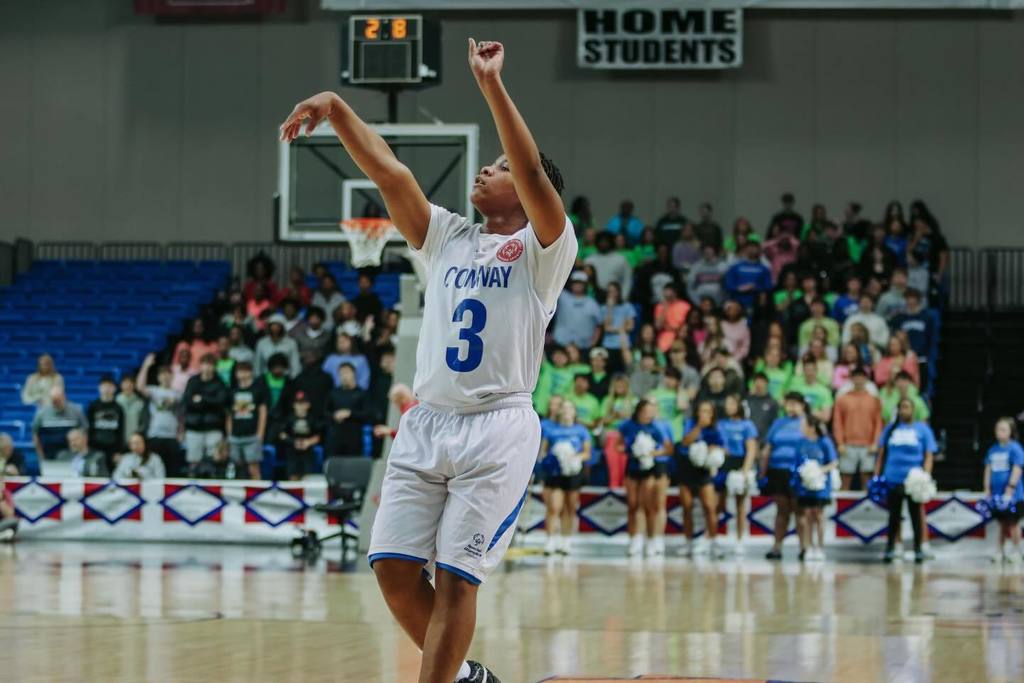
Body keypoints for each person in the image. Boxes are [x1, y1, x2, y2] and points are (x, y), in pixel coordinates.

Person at [280, 39, 579, 683]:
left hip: (496, 427)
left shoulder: (545, 248)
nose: (486, 172)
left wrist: (491, 86)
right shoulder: (446, 236)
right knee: (390, 569)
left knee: (456, 578)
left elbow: (530, 169)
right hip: (428, 422)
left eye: (497, 168)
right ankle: (467, 677)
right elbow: (392, 173)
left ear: (528, 194)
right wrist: (336, 109)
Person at [875, 398, 937, 563]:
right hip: (893, 478)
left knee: (916, 515)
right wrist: (877, 474)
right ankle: (891, 547)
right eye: (902, 407)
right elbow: (881, 453)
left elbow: (929, 454)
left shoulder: (922, 430)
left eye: (907, 407)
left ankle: (918, 548)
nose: (905, 410)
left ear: (913, 409)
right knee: (893, 516)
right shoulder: (890, 429)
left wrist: (926, 475)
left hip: (913, 481)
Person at [619, 400, 674, 557]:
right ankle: (634, 539)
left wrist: (650, 453)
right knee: (633, 504)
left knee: (650, 504)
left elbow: (668, 448)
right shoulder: (628, 425)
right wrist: (632, 450)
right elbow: (619, 444)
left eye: (653, 410)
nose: (650, 413)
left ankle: (653, 538)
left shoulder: (659, 427)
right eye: (647, 410)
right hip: (633, 465)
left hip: (653, 466)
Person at [538, 400, 591, 555]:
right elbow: (543, 451)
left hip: (573, 472)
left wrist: (574, 458)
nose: (567, 411)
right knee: (554, 507)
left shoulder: (581, 430)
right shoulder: (551, 429)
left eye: (570, 408)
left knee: (569, 507)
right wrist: (552, 460)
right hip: (555, 473)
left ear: (575, 412)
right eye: (564, 408)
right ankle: (550, 540)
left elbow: (587, 453)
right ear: (559, 411)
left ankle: (566, 540)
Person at [760, 392, 807, 560]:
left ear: (802, 406)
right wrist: (762, 473)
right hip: (777, 471)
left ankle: (804, 548)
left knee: (799, 511)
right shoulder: (778, 424)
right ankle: (777, 547)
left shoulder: (807, 423)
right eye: (789, 403)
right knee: (782, 511)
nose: (791, 407)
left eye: (795, 404)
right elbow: (767, 448)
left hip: (798, 473)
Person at [677, 401, 724, 558]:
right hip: (686, 469)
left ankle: (714, 542)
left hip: (704, 471)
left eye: (708, 411)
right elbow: (685, 441)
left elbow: (723, 447)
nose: (705, 414)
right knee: (687, 506)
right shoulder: (689, 423)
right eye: (702, 411)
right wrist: (699, 426)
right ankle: (687, 542)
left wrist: (715, 449)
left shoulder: (715, 429)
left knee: (710, 507)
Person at [716, 394, 758, 554]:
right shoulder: (720, 424)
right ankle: (713, 538)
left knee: (740, 505)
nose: (728, 406)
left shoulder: (747, 425)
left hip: (740, 463)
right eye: (727, 404)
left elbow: (751, 449)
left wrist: (745, 471)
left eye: (732, 403)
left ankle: (740, 539)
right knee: (718, 503)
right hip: (724, 463)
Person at [793, 415, 838, 562]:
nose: (801, 428)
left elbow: (833, 462)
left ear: (811, 427)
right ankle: (808, 546)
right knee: (806, 515)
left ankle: (820, 547)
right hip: (804, 485)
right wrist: (804, 473)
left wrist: (818, 471)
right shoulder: (800, 443)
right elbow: (796, 463)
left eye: (803, 425)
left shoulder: (824, 442)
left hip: (821, 485)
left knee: (818, 515)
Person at [832, 366, 883, 490]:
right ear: (851, 379)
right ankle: (843, 508)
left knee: (867, 479)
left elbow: (878, 423)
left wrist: (875, 443)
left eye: (861, 377)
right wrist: (840, 443)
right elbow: (837, 423)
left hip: (868, 445)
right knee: (845, 479)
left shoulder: (874, 400)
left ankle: (867, 508)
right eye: (856, 377)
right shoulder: (842, 399)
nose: (858, 380)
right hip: (847, 444)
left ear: (866, 379)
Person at [982, 417, 1024, 564]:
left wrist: (1010, 489)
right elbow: (988, 469)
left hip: (1013, 496)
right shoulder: (993, 450)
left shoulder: (1015, 448)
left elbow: (1017, 468)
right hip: (996, 495)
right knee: (1002, 524)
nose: (999, 432)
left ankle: (1017, 551)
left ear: (1011, 431)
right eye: (997, 429)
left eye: (1003, 429)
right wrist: (987, 489)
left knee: (1013, 523)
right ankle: (1000, 550)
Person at [182, 354, 229, 477]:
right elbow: (187, 402)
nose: (207, 368)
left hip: (213, 427)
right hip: (194, 427)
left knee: (214, 460)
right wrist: (209, 401)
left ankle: (213, 488)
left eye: (210, 365)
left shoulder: (220, 383)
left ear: (214, 367)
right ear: (201, 366)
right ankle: (192, 489)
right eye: (205, 364)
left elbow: (220, 402)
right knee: (193, 461)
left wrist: (202, 399)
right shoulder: (193, 381)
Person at [136, 355, 183, 477]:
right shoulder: (154, 391)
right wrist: (146, 366)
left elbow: (181, 414)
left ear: (172, 376)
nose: (165, 377)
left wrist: (181, 432)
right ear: (158, 377)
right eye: (162, 374)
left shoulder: (178, 394)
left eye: (168, 374)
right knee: (153, 468)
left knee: (172, 471)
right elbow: (140, 387)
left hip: (172, 436)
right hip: (155, 435)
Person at [226, 361, 269, 480]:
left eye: (245, 371)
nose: (243, 374)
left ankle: (257, 495)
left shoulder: (258, 390)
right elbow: (229, 415)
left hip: (252, 435)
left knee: (253, 468)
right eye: (240, 372)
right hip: (235, 436)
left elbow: (263, 413)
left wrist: (260, 434)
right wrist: (229, 434)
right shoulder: (232, 391)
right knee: (236, 468)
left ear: (251, 373)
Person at [891, 288, 936, 394]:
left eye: (913, 298)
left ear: (918, 300)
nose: (911, 301)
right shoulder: (899, 318)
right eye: (908, 298)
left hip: (921, 358)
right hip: (904, 358)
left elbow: (930, 338)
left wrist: (928, 355)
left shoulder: (927, 318)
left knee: (920, 389)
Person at [277, 391, 324, 481]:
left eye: (303, 403)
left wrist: (308, 442)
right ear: (294, 405)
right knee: (293, 476)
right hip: (292, 452)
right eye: (298, 404)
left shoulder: (312, 419)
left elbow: (318, 436)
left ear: (308, 405)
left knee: (307, 476)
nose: (300, 406)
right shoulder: (289, 419)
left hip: (307, 452)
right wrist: (293, 442)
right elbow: (282, 435)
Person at [553, 271, 602, 351]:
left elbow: (599, 326)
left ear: (586, 285)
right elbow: (554, 284)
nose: (577, 285)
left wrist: (593, 344)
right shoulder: (562, 297)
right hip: (561, 346)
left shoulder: (592, 303)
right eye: (575, 282)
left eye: (580, 283)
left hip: (583, 347)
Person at [87, 376, 126, 470]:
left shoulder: (119, 408)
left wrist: (119, 451)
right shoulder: (93, 406)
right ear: (99, 388)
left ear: (114, 389)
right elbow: (89, 429)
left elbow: (121, 430)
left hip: (112, 449)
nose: (107, 389)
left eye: (109, 386)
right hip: (95, 447)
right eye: (104, 386)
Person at [723, 241, 773, 312]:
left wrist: (755, 288)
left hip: (756, 304)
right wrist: (739, 289)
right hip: (737, 303)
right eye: (749, 247)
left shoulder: (764, 269)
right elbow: (728, 285)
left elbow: (768, 287)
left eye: (754, 247)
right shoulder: (735, 267)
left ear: (759, 250)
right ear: (745, 250)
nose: (752, 249)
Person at [598, 282, 634, 374]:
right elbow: (606, 328)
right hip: (608, 344)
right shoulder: (603, 308)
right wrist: (610, 309)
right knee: (608, 372)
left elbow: (630, 326)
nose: (612, 294)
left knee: (626, 371)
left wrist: (614, 329)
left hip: (623, 344)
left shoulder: (627, 306)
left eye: (614, 291)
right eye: (609, 292)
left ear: (618, 292)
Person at [786, 355, 834, 423]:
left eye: (811, 370)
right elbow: (789, 411)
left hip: (816, 424)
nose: (809, 373)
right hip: (796, 423)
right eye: (807, 370)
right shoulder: (796, 389)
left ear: (816, 370)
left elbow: (826, 417)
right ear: (803, 371)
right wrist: (816, 412)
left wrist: (806, 411)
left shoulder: (824, 391)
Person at [585, 231, 632, 299]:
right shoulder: (589, 260)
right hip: (593, 298)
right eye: (601, 241)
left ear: (611, 242)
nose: (603, 244)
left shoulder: (621, 259)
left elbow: (627, 280)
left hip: (615, 298)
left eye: (606, 241)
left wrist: (623, 297)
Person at [255, 314, 301, 378]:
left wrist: (292, 381)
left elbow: (295, 365)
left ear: (283, 328)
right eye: (273, 326)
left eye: (278, 326)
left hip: (286, 379)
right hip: (265, 378)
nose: (275, 328)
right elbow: (258, 365)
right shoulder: (261, 343)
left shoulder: (291, 343)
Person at [653, 283, 691, 353]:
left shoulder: (685, 306)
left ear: (675, 292)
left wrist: (678, 330)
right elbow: (658, 326)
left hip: (681, 337)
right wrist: (664, 309)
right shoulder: (660, 307)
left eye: (669, 292)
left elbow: (688, 324)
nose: (667, 295)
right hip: (664, 339)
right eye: (665, 292)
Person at [746, 373, 780, 445]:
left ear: (767, 383)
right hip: (748, 440)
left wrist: (769, 443)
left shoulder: (773, 403)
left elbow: (775, 424)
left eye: (761, 382)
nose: (759, 384)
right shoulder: (748, 400)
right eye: (756, 382)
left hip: (764, 441)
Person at [116, 375, 146, 449]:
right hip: (118, 441)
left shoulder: (140, 403)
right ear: (121, 385)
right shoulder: (116, 402)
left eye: (131, 383)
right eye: (125, 383)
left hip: (135, 442)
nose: (128, 385)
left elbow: (143, 423)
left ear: (134, 385)